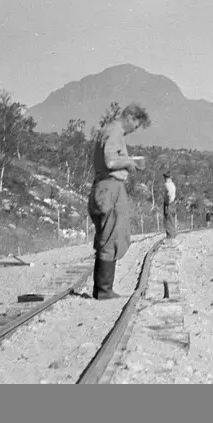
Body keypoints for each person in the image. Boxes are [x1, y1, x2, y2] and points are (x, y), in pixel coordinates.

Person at [87, 103, 150, 300]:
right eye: (136, 125)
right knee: (112, 236)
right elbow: (110, 161)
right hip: (110, 187)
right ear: (130, 117)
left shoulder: (107, 130)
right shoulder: (115, 132)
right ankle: (104, 291)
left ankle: (101, 289)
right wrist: (130, 163)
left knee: (106, 236)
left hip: (102, 187)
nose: (134, 130)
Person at [162, 171, 178, 239]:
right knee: (172, 222)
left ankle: (169, 242)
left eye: (165, 177)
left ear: (166, 177)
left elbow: (169, 193)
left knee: (168, 222)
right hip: (173, 204)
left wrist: (167, 201)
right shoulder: (172, 184)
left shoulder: (167, 184)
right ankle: (173, 238)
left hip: (169, 204)